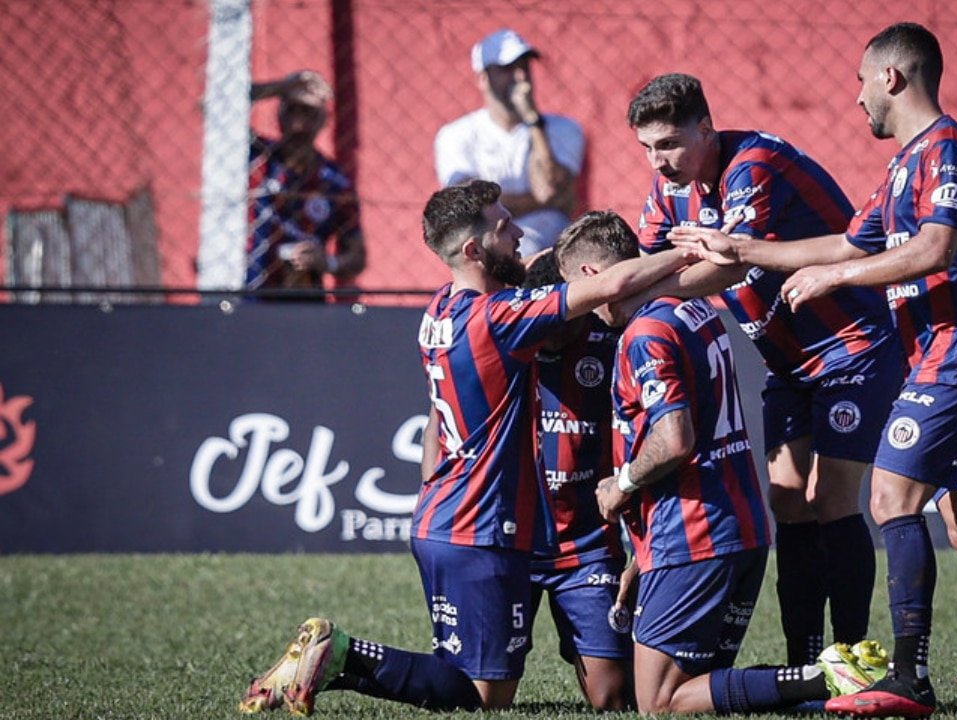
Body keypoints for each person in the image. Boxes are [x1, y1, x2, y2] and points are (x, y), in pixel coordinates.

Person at [671, 23, 957, 720]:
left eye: (861, 80)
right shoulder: (901, 168)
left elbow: (934, 248)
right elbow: (844, 238)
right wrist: (741, 246)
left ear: (891, 77)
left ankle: (907, 680)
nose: (856, 96)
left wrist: (837, 276)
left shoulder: (947, 147)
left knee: (890, 500)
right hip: (946, 357)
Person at [239, 181, 695, 715]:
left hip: (444, 517)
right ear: (475, 250)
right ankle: (339, 652)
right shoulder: (498, 319)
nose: (519, 231)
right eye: (506, 226)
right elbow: (607, 285)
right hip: (481, 526)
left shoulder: (442, 309)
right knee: (481, 696)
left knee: (485, 685)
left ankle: (335, 657)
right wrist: (697, 249)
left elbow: (437, 422)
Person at [555, 211, 888, 715]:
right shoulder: (693, 311)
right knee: (704, 688)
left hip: (692, 536)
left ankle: (828, 678)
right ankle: (823, 689)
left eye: (570, 289)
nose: (580, 309)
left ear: (588, 278)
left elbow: (673, 440)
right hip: (740, 531)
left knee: (659, 703)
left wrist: (619, 483)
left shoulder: (644, 333)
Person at [622, 73, 903, 666]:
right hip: (789, 365)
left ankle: (851, 656)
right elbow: (646, 268)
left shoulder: (756, 163)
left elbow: (727, 266)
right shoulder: (666, 195)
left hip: (853, 347)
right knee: (787, 501)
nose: (658, 161)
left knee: (830, 498)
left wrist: (645, 294)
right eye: (647, 147)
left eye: (669, 143)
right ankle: (805, 658)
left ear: (706, 128)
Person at [520, 253, 633, 710]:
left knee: (613, 698)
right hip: (512, 544)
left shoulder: (613, 341)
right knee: (480, 696)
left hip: (588, 545)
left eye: (559, 321)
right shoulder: (506, 333)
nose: (548, 336)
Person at [434, 28, 584, 257]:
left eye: (524, 67)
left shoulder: (562, 128)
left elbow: (549, 188)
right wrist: (541, 201)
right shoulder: (456, 135)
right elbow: (468, 208)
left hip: (550, 247)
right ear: (483, 78)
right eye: (507, 69)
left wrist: (533, 121)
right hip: (488, 243)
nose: (521, 77)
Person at [245, 70, 366, 300]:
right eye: (291, 110)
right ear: (278, 115)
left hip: (304, 298)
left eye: (309, 113)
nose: (299, 124)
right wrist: (280, 87)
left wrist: (327, 262)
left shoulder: (335, 182)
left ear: (323, 121)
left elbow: (357, 256)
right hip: (246, 292)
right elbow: (217, 107)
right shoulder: (256, 157)